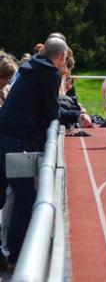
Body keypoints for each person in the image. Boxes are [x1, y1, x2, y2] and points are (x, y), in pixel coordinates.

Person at [0, 37, 67, 268]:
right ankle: (15, 255)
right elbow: (52, 111)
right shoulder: (49, 73)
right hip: (16, 139)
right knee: (25, 196)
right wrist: (75, 115)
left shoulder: (30, 67)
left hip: (6, 133)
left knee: (6, 195)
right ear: (62, 57)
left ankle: (7, 250)